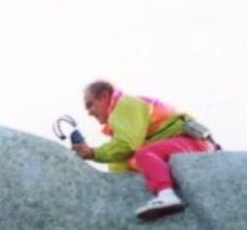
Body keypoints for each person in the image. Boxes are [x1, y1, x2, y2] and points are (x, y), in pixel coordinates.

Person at [72, 80, 216, 220]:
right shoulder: (123, 120)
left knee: (145, 154)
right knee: (131, 159)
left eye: (90, 105)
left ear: (104, 96)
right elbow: (119, 163)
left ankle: (167, 195)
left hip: (193, 142)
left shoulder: (125, 105)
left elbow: (128, 144)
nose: (89, 112)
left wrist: (94, 153)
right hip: (181, 143)